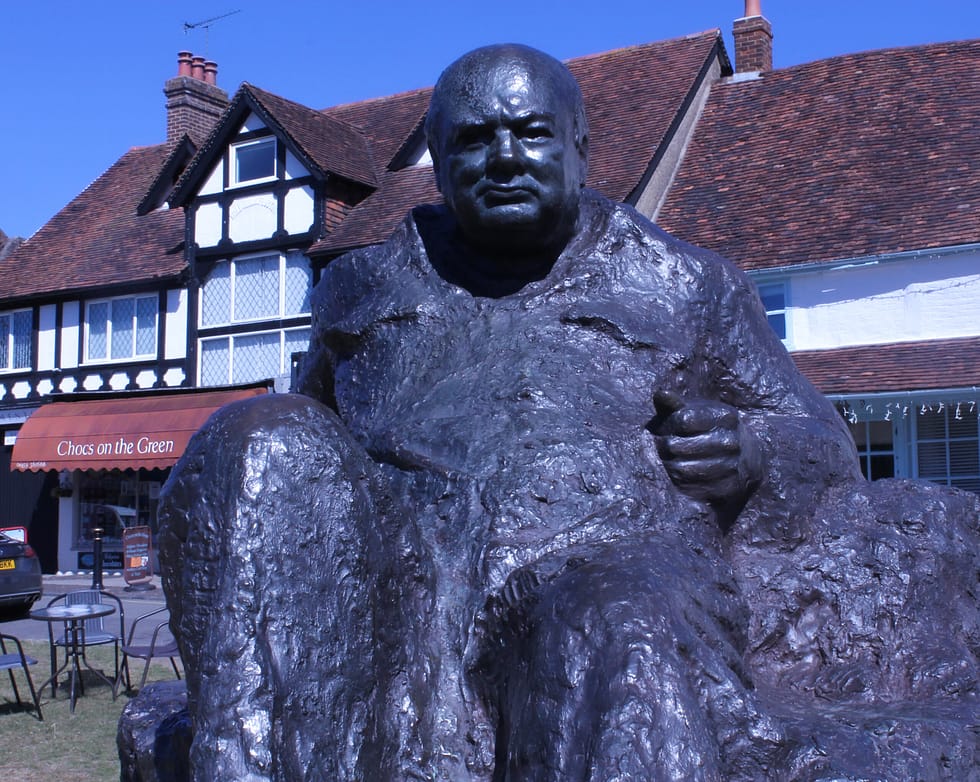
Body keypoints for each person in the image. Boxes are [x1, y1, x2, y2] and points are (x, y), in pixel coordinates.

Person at [159, 44, 975, 781]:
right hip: (401, 588)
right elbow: (305, 450)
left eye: (530, 134)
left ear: (581, 148)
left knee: (610, 620)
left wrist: (751, 452)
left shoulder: (684, 283)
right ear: (437, 164)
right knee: (258, 437)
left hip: (602, 567)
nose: (504, 159)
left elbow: (820, 442)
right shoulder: (359, 285)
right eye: (474, 140)